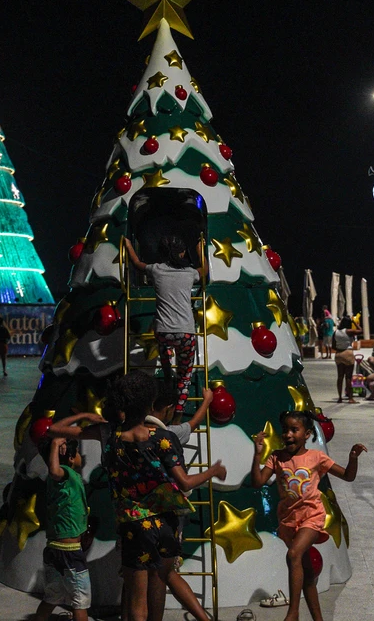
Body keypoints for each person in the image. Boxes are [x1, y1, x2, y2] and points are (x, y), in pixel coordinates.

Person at [52, 371, 226, 621]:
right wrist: (214, 470)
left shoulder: (108, 434)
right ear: (149, 405)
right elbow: (185, 481)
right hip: (167, 524)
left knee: (137, 604)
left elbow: (55, 430)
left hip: (135, 527)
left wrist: (85, 415)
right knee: (166, 576)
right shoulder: (163, 438)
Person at [251, 411, 366, 621]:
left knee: (294, 555)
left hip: (312, 516)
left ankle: (293, 612)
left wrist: (352, 458)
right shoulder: (276, 457)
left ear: (307, 434)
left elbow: (348, 476)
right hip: (288, 520)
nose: (288, 434)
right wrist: (257, 454)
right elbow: (257, 482)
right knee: (307, 574)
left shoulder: (316, 457)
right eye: (285, 430)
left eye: (294, 430)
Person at [144, 380, 214, 621]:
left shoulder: (129, 434)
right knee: (164, 572)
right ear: (169, 408)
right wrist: (206, 400)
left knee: (140, 572)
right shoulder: (170, 435)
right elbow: (194, 424)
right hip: (169, 513)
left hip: (140, 514)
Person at [122, 234, 209, 416]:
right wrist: (200, 251)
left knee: (165, 348)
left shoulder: (156, 270)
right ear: (182, 253)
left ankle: (168, 373)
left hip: (163, 331)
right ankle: (177, 416)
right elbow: (205, 270)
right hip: (185, 332)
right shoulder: (189, 272)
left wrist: (128, 245)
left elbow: (138, 263)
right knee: (185, 377)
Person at [30, 435, 91, 621]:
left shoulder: (65, 478)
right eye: (78, 452)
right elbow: (55, 470)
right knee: (80, 601)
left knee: (52, 596)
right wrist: (56, 443)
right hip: (69, 553)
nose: (81, 456)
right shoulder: (63, 473)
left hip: (55, 549)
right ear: (72, 458)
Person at [332, 323, 357, 403]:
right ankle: (350, 398)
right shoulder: (349, 331)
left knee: (340, 377)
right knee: (348, 377)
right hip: (348, 353)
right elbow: (361, 331)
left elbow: (333, 346)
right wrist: (354, 323)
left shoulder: (335, 332)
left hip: (339, 354)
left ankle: (340, 398)